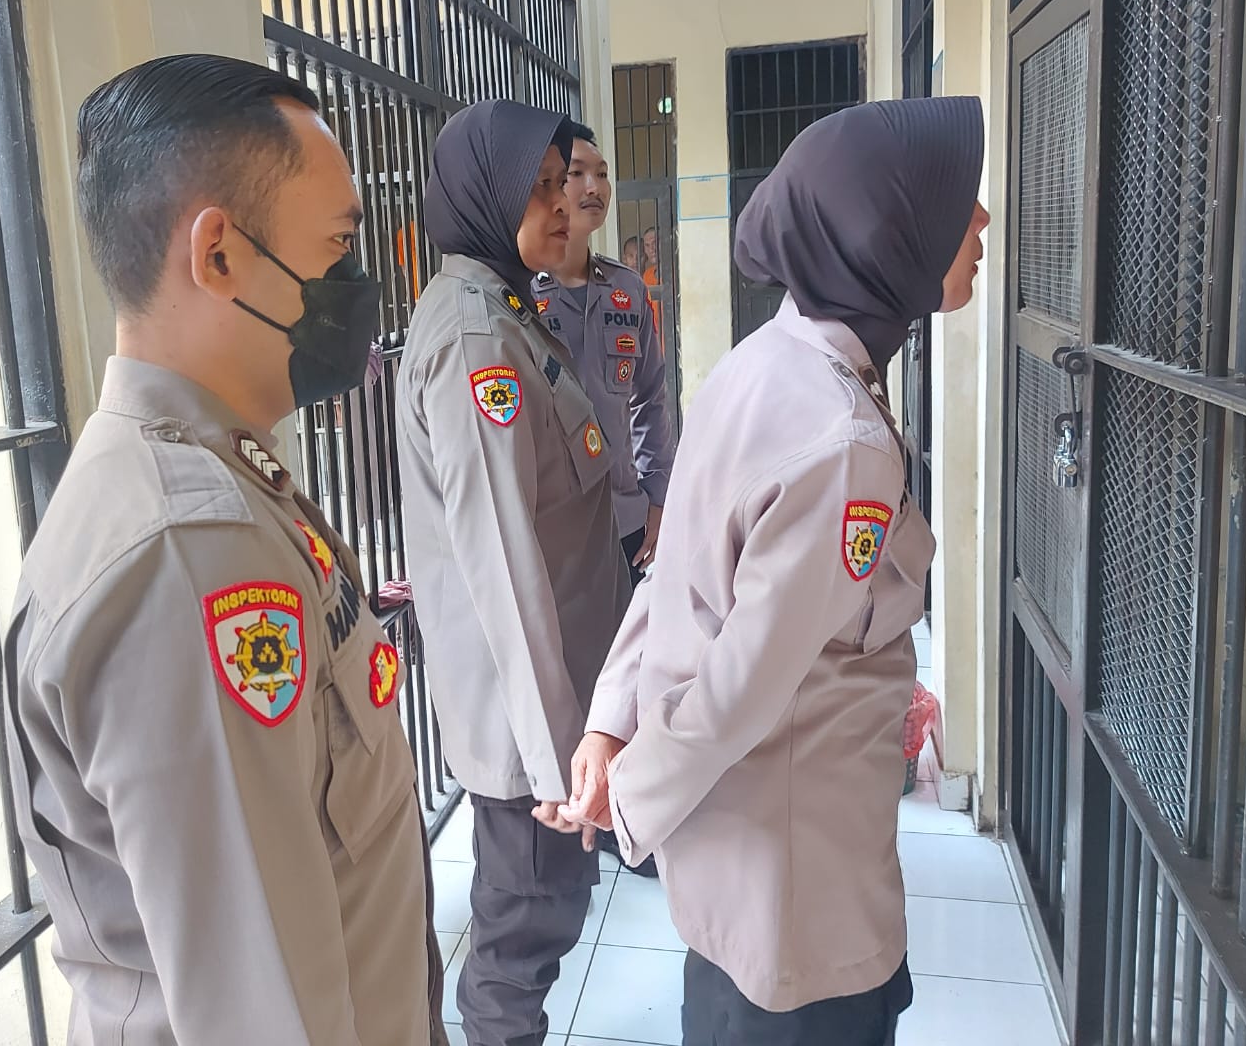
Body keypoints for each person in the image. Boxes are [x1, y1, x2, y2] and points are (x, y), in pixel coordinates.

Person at [1, 54, 446, 1045]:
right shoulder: (189, 555)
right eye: (337, 245)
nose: (358, 284)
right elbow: (262, 1013)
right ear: (219, 257)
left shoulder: (224, 477)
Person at [556, 96, 989, 1045]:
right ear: (888, 233)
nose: (982, 220)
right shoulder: (842, 440)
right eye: (958, 203)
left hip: (745, 875)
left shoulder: (761, 362)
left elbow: (674, 569)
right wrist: (630, 795)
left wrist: (612, 718)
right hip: (801, 894)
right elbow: (744, 683)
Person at [396, 99, 632, 1046]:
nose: (564, 207)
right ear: (488, 197)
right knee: (520, 939)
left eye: (562, 183)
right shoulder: (477, 342)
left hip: (556, 699)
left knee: (540, 914)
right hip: (531, 718)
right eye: (539, 189)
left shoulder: (507, 310)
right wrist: (556, 757)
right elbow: (500, 559)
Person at [533, 122, 675, 589]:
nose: (594, 187)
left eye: (602, 173)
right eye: (576, 173)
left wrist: (658, 494)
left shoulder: (626, 288)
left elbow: (650, 397)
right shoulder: (518, 296)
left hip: (625, 520)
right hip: (551, 532)